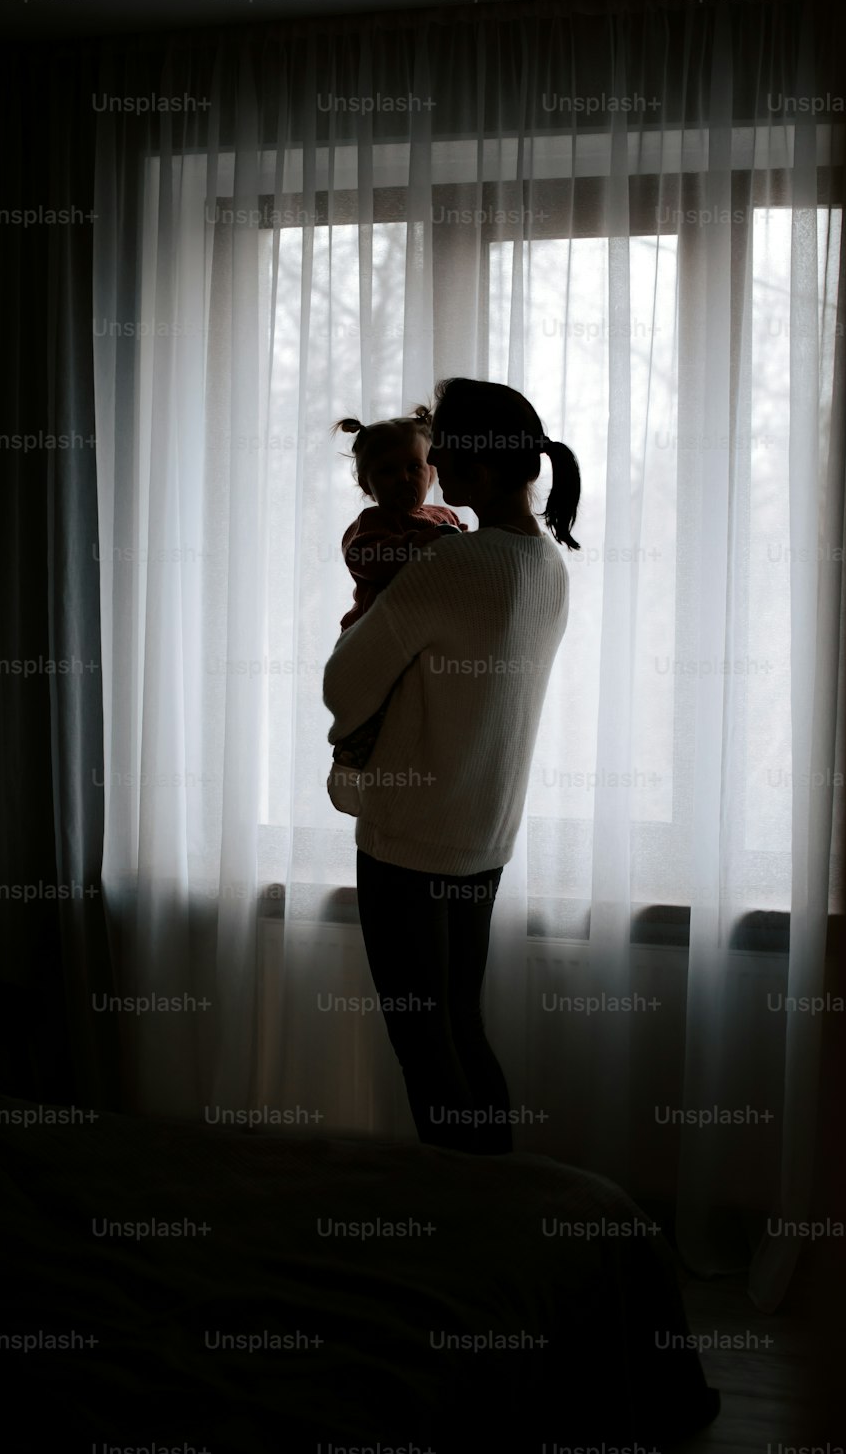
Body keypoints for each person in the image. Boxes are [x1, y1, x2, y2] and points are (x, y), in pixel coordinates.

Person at [322, 377, 581, 1155]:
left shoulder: (454, 565)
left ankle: (461, 1223)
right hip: (482, 833)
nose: (432, 468)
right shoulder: (547, 567)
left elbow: (343, 685)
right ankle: (501, 1205)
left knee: (421, 1042)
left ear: (473, 470)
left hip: (409, 835)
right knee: (460, 1024)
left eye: (444, 457)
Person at [327, 410, 467, 816]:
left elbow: (465, 556)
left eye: (413, 467)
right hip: (370, 638)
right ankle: (349, 763)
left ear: (432, 472)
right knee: (372, 709)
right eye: (387, 472)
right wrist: (424, 543)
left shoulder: (446, 518)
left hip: (420, 641)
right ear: (367, 485)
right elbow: (366, 559)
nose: (404, 478)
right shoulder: (373, 523)